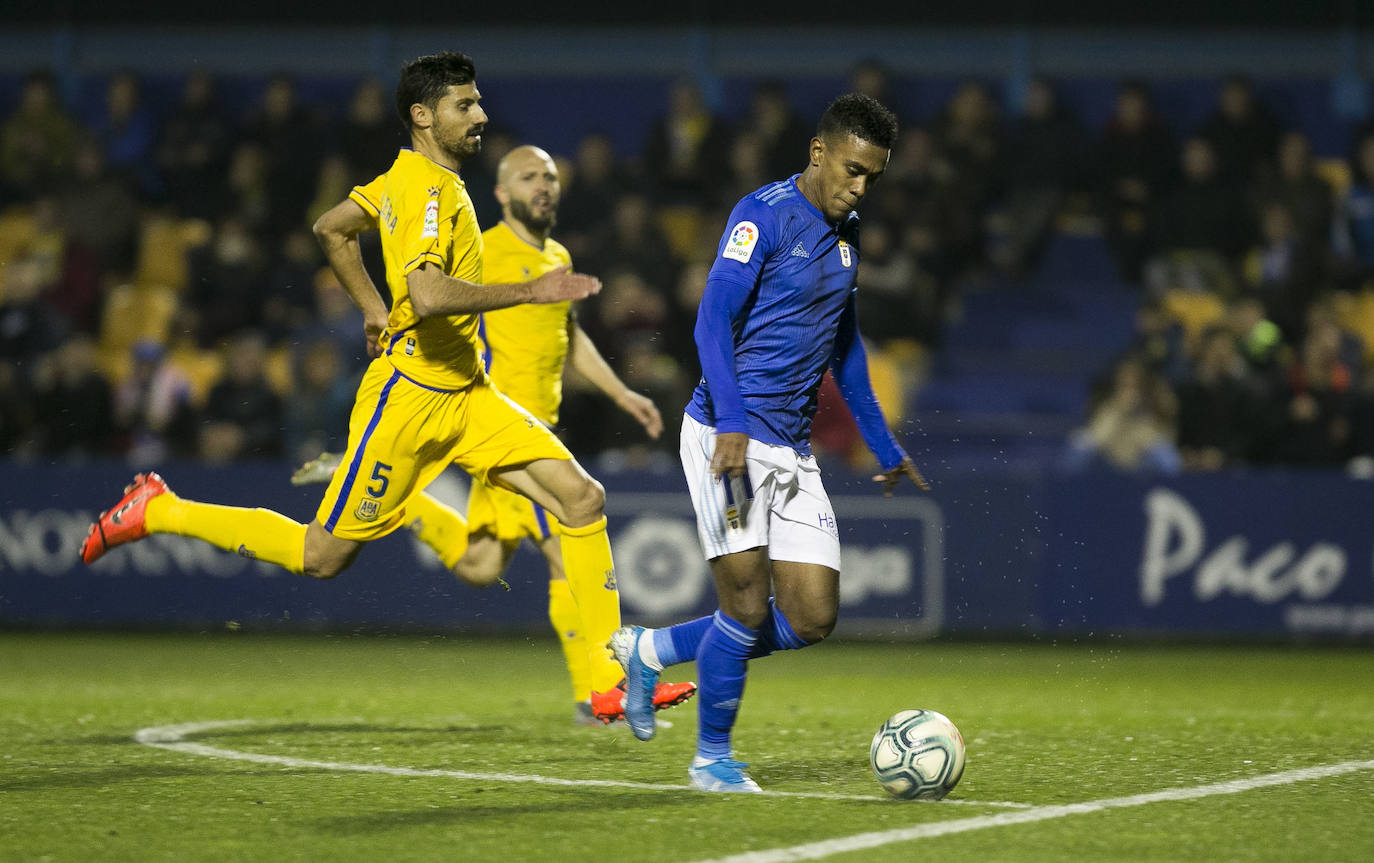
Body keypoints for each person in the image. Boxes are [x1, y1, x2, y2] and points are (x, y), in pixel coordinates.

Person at [77, 51, 641, 719]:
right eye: (466, 104)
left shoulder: (412, 178)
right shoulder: (429, 191)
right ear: (423, 116)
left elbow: (332, 228)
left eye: (479, 101)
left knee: (581, 498)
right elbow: (428, 294)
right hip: (410, 403)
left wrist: (373, 307)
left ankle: (608, 681)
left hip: (469, 392)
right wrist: (529, 290)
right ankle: (160, 508)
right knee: (322, 556)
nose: (482, 113)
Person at [290, 144, 694, 725]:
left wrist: (621, 393)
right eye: (529, 177)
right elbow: (437, 299)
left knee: (481, 566)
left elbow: (569, 333)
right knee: (565, 543)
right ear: (502, 193)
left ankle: (402, 503)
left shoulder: (555, 253)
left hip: (529, 430)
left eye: (551, 177)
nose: (544, 186)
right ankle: (595, 691)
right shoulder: (488, 250)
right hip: (493, 426)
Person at [607, 93, 928, 792]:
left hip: (792, 448)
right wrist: (731, 423)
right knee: (747, 606)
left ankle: (652, 647)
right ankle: (711, 758)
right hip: (731, 438)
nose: (859, 186)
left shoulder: (850, 235)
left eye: (872, 176)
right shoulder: (762, 216)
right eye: (851, 169)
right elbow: (709, 324)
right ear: (818, 152)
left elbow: (844, 350)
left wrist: (881, 441)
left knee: (813, 615)